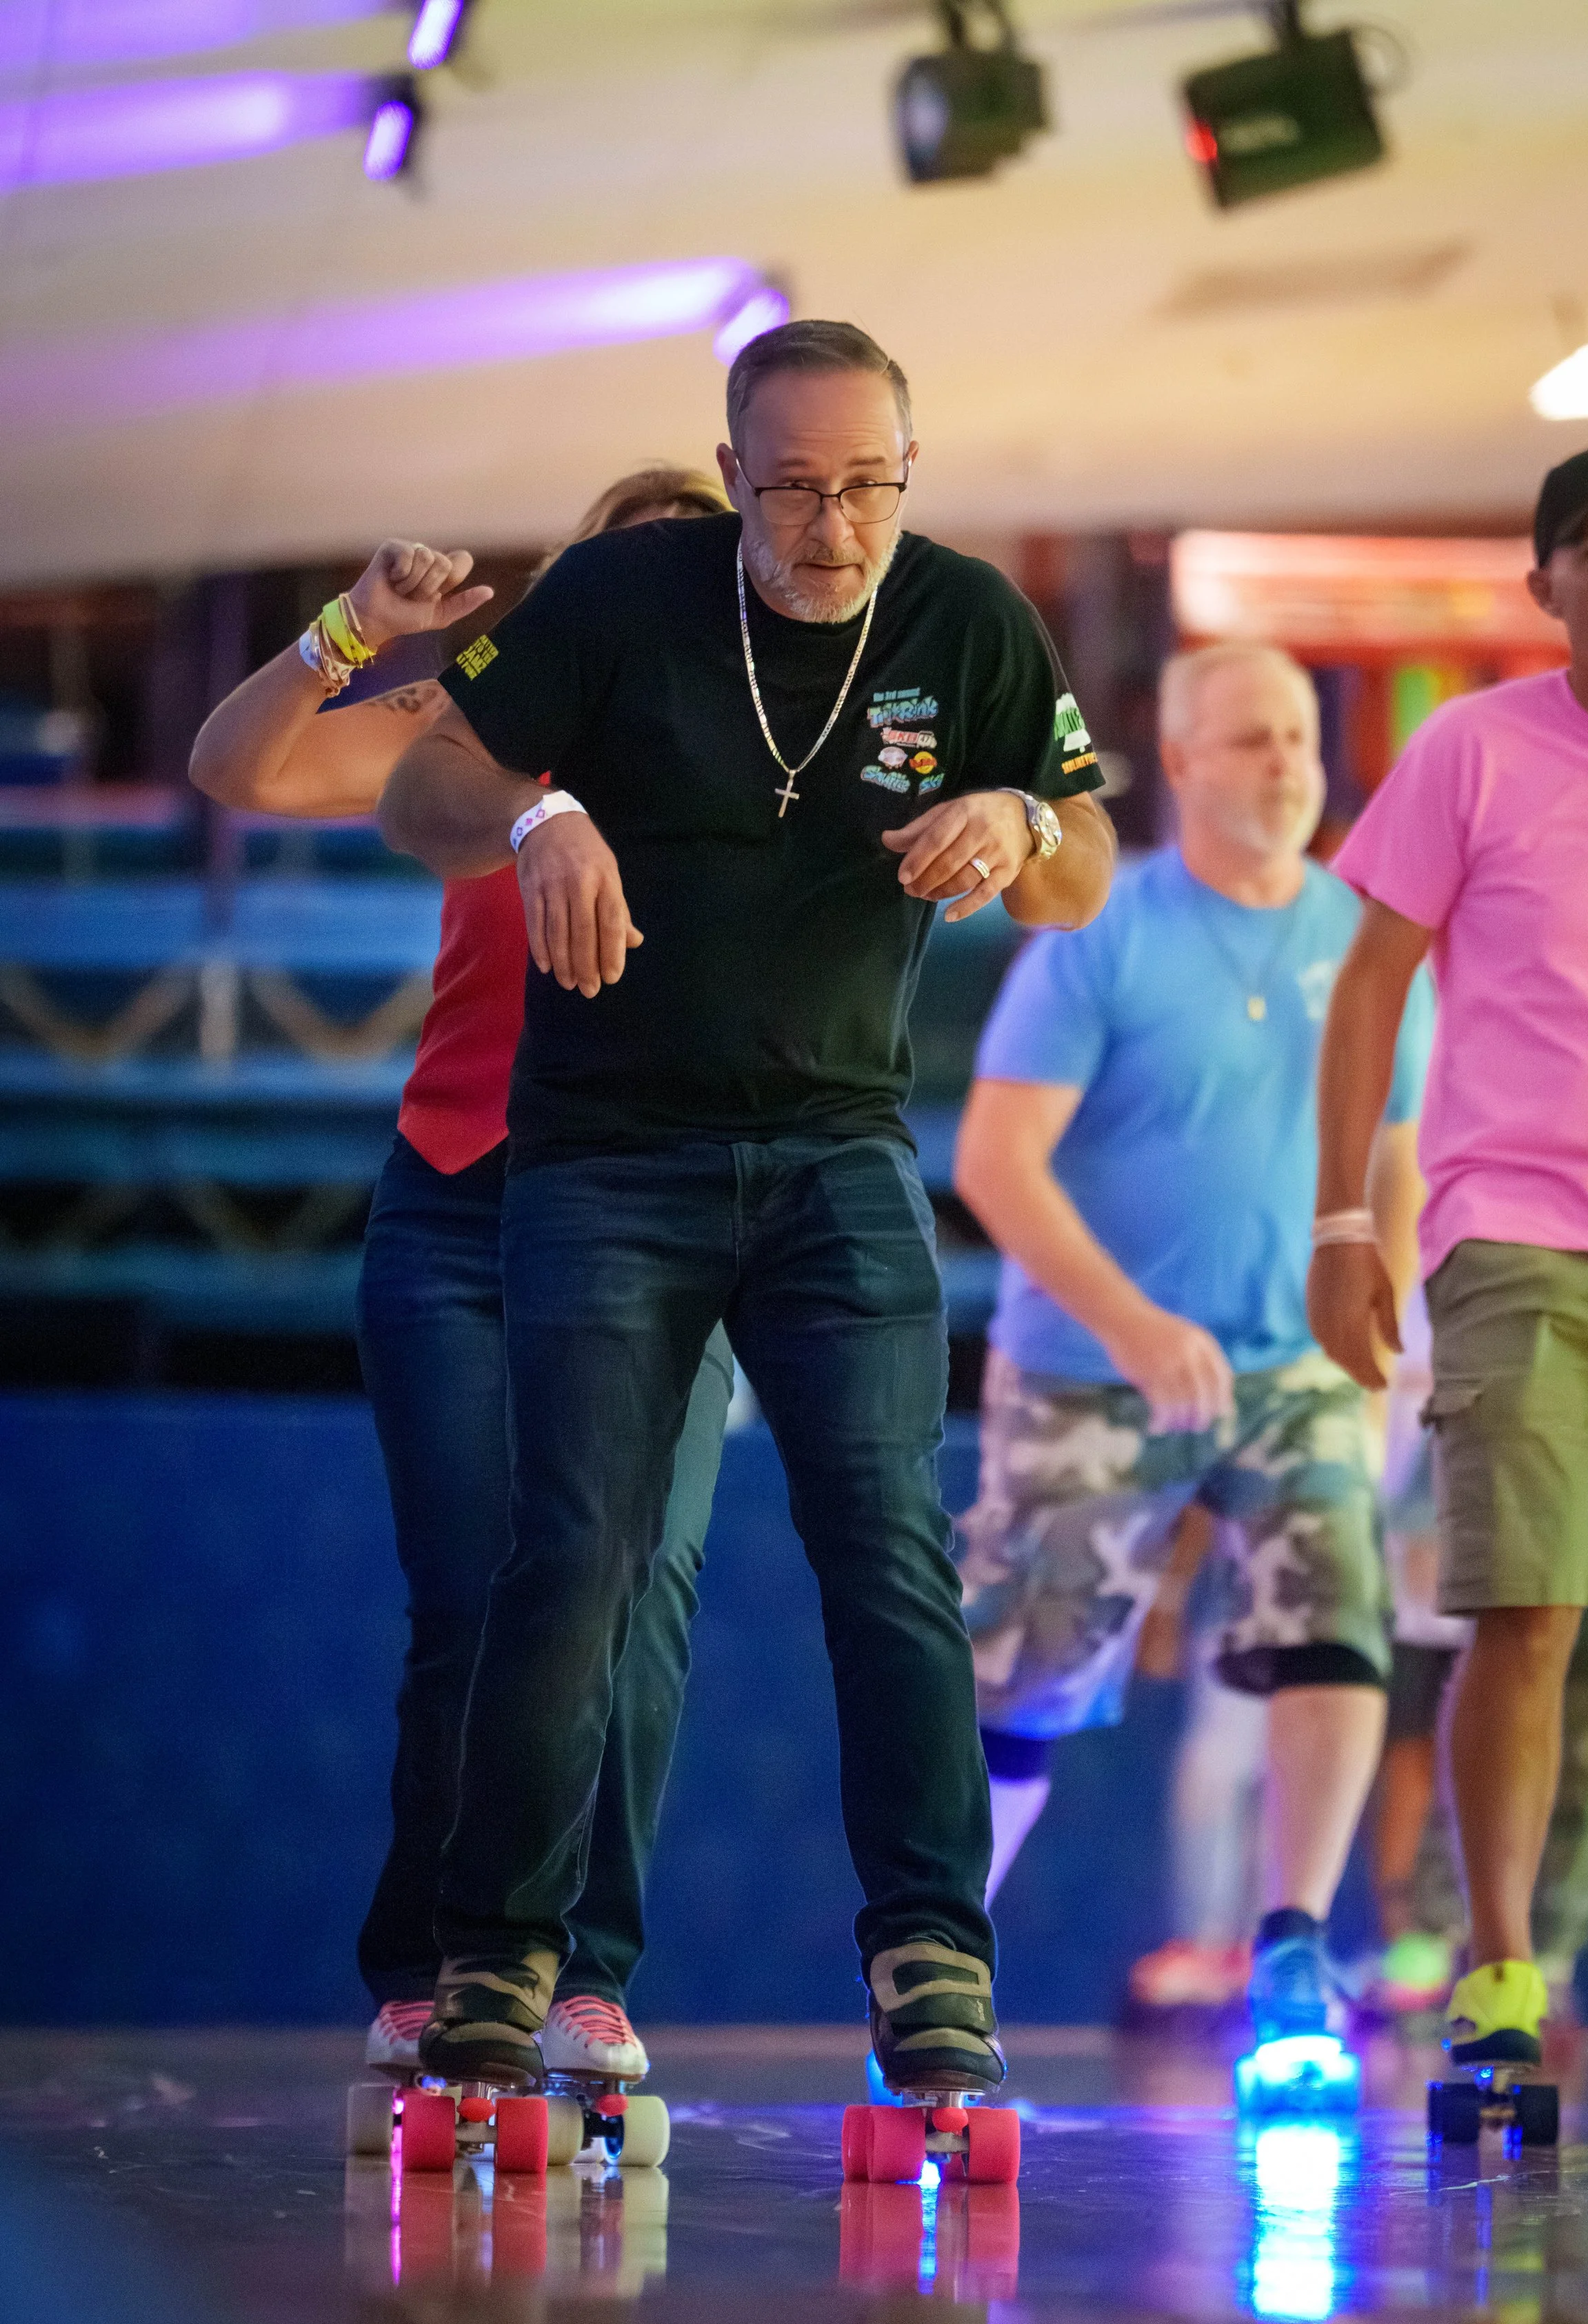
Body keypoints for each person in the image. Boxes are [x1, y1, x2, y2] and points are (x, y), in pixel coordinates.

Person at [373, 318, 1116, 2092]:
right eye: (792, 488)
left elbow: (1084, 867)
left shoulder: (967, 617)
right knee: (575, 1551)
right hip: (608, 1152)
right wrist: (540, 802)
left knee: (887, 1538)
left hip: (840, 1150)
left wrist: (1016, 815)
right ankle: (500, 1951)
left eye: (866, 485)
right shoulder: (624, 600)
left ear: (908, 476)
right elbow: (419, 795)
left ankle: (932, 1951)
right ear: (730, 477)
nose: (832, 524)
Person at [189, 467, 736, 2087]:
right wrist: (351, 629)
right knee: (482, 1589)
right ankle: (435, 1956)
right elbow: (241, 767)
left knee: (637, 1589)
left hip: (665, 1214)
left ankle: (588, 1973)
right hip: (459, 1199)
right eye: (615, 577)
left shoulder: (767, 757)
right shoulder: (482, 729)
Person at [1309, 442, 1588, 2075]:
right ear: (1545, 585)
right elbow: (1367, 987)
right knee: (1525, 1606)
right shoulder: (1469, 749)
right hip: (1513, 1226)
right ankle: (1496, 1963)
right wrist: (1351, 1222)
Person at [952, 639, 1428, 2048]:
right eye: (1247, 742)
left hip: (1292, 1368)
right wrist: (1136, 1325)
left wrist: (1379, 1317)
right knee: (1021, 1676)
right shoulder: (1100, 931)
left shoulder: (1362, 934)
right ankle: (932, 1960)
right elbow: (995, 1162)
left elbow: (1395, 1158)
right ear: (1174, 764)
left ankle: (1287, 1950)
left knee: (1334, 1616)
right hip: (1093, 1367)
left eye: (1295, 738)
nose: (1284, 765)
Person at [1368, 1289, 1588, 2023]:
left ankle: (1548, 1953)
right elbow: (1490, 1345)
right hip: (1538, 1498)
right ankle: (1438, 1933)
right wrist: (1424, 1511)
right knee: (1498, 1708)